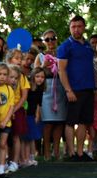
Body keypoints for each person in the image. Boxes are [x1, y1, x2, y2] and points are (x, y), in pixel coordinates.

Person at [58, 15, 96, 161]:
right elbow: (61, 70)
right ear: (70, 28)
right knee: (70, 122)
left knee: (83, 122)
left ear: (84, 27)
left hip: (88, 89)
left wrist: (95, 87)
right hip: (73, 90)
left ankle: (80, 153)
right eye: (73, 27)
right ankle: (71, 153)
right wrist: (68, 90)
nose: (76, 29)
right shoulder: (65, 46)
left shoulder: (88, 46)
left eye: (79, 26)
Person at [35, 29, 67, 161]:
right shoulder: (40, 56)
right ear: (44, 42)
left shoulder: (62, 54)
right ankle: (47, 151)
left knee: (60, 122)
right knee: (47, 123)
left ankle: (56, 152)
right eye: (47, 39)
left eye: (52, 38)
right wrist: (43, 66)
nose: (50, 41)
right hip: (46, 90)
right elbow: (35, 74)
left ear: (56, 39)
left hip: (60, 88)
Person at [6, 49, 30, 170]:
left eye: (21, 59)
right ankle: (5, 160)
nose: (19, 61)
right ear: (10, 60)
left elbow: (24, 96)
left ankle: (15, 161)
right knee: (4, 137)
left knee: (16, 136)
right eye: (16, 58)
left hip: (17, 109)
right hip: (4, 110)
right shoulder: (3, 74)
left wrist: (14, 110)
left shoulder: (22, 77)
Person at [0, 63, 14, 178]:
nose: (2, 77)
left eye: (5, 74)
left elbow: (11, 107)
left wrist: (5, 121)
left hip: (5, 123)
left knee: (2, 144)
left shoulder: (9, 89)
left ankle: (1, 169)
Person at [23, 67, 45, 164]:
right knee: (27, 138)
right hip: (26, 114)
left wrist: (37, 115)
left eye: (42, 77)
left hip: (32, 116)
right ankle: (26, 158)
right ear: (33, 77)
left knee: (31, 137)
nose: (40, 79)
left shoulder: (40, 90)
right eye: (37, 76)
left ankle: (31, 157)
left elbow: (38, 104)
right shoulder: (28, 88)